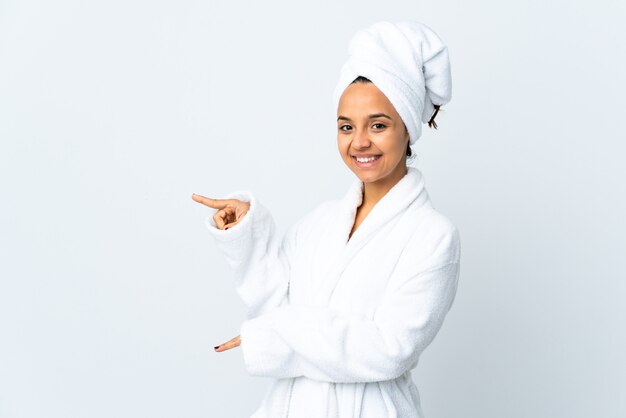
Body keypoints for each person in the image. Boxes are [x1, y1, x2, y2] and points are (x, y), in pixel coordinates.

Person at [192, 20, 460, 418]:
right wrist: (248, 235)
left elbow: (389, 350)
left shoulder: (432, 236)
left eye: (379, 125)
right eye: (346, 126)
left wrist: (282, 333)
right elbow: (272, 308)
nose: (360, 142)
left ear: (408, 129)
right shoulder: (317, 225)